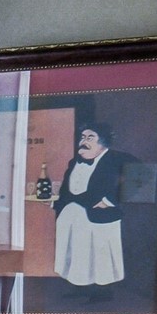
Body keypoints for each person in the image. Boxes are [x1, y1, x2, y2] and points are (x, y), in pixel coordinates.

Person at [52, 122, 130, 301]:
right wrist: (60, 204)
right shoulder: (75, 161)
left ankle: (103, 293)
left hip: (99, 218)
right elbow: (67, 187)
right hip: (72, 216)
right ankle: (81, 288)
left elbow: (140, 178)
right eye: (82, 137)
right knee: (78, 252)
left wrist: (109, 201)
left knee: (99, 255)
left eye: (90, 138)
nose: (84, 141)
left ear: (103, 142)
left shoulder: (116, 159)